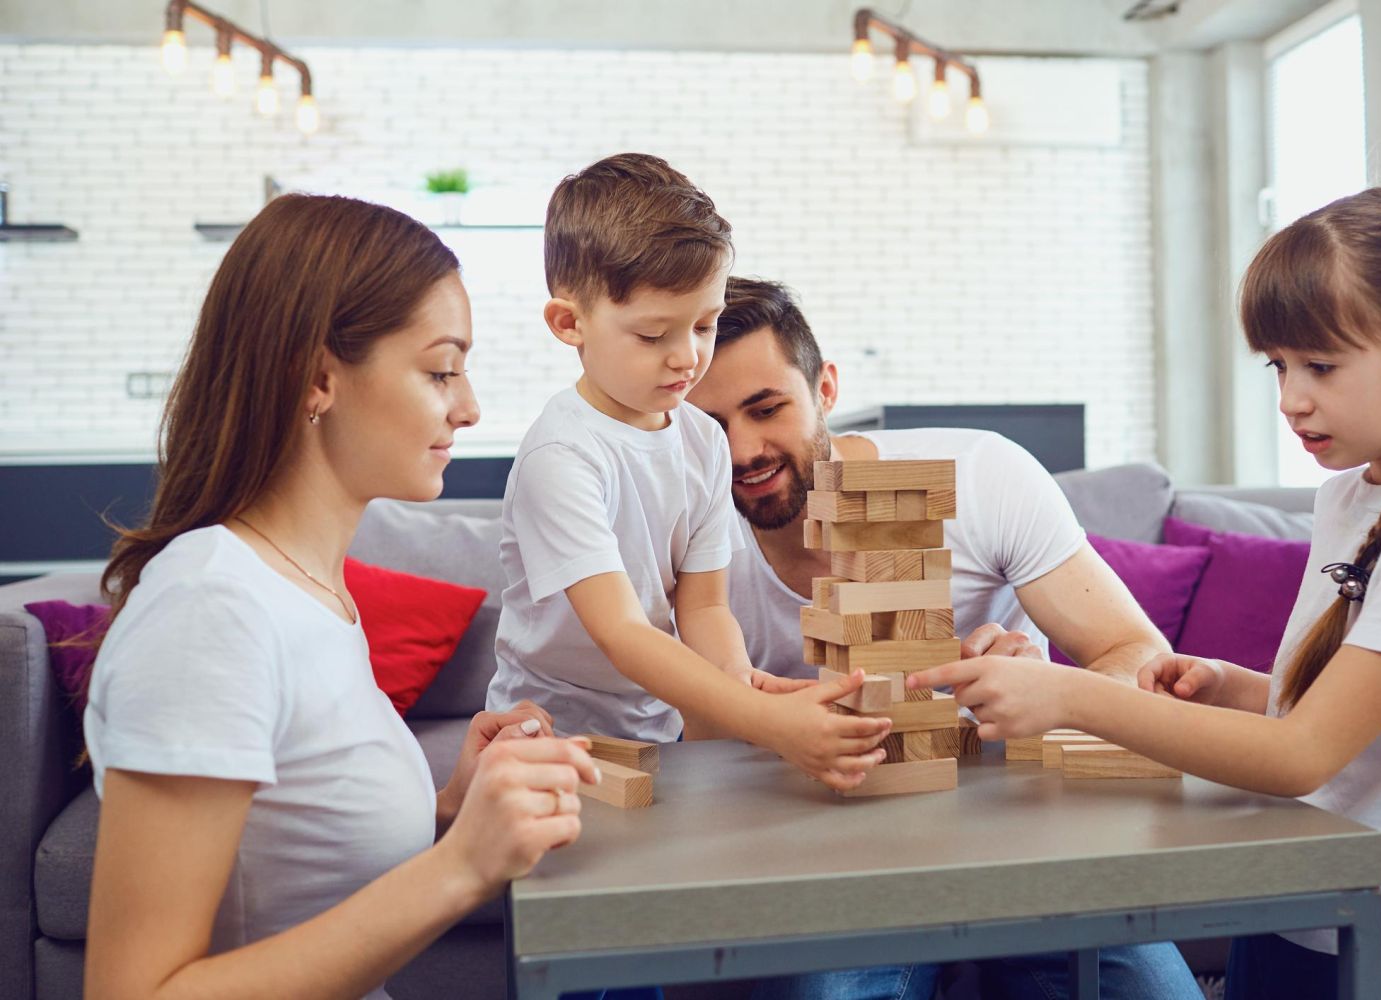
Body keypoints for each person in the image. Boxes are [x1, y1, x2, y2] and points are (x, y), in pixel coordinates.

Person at [910, 187, 1381, 1000]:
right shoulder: (1348, 497)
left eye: (1321, 366)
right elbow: (1341, 712)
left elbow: (1302, 755)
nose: (1291, 398)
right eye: (1279, 366)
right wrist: (1232, 686)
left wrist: (1072, 696)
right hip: (1292, 900)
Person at [83, 194, 599, 1000]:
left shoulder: (314, 591)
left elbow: (295, 870)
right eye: (440, 370)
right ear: (319, 378)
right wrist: (460, 868)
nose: (468, 408)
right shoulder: (210, 610)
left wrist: (451, 809)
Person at [687, 276, 1202, 999]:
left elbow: (1137, 652)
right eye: (708, 427)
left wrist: (1053, 692)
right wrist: (778, 723)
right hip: (836, 847)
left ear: (825, 389)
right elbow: (697, 751)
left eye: (766, 409)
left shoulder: (982, 474)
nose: (742, 451)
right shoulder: (688, 540)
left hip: (1024, 827)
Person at [484, 154, 889, 791]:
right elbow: (621, 632)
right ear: (569, 324)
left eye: (705, 325)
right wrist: (762, 719)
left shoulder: (701, 437)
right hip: (549, 735)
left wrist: (737, 684)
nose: (688, 357)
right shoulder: (561, 456)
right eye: (653, 335)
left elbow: (703, 606)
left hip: (657, 729)